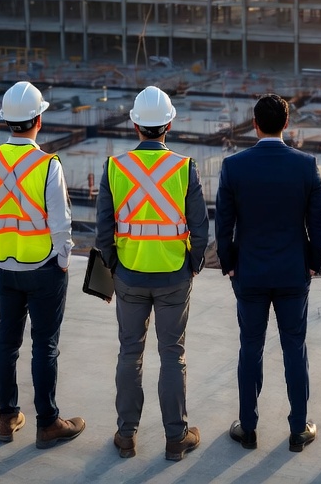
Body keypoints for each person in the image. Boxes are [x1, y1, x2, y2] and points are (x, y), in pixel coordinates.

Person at [0, 82, 86, 448]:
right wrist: (62, 260)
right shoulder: (47, 163)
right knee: (44, 346)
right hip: (45, 268)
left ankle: (7, 417)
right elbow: (60, 221)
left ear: (6, 121)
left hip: (6, 268)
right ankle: (47, 423)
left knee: (7, 343)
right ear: (38, 120)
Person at [96, 86, 208, 462]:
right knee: (172, 354)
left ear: (134, 125)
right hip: (174, 275)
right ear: (169, 124)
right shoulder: (184, 166)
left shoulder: (115, 167)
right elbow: (200, 226)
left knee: (130, 353)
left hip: (129, 275)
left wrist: (113, 267)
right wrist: (192, 264)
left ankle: (126, 435)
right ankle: (176, 438)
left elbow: (103, 230)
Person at [215, 94, 321, 453]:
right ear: (287, 124)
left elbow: (224, 224)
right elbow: (317, 223)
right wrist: (313, 261)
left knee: (251, 348)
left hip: (250, 273)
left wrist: (229, 263)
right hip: (293, 272)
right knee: (295, 348)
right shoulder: (306, 165)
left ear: (254, 124)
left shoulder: (234, 166)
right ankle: (298, 429)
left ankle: (247, 428)